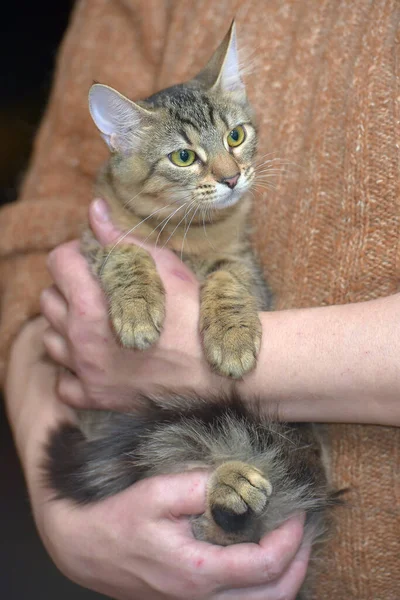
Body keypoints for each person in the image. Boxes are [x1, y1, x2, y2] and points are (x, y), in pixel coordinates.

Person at [1, 1, 399, 599]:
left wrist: (218, 351)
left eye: (235, 138)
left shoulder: (222, 214)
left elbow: (231, 269)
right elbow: (46, 226)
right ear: (122, 144)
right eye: (187, 157)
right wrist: (60, 514)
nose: (229, 170)